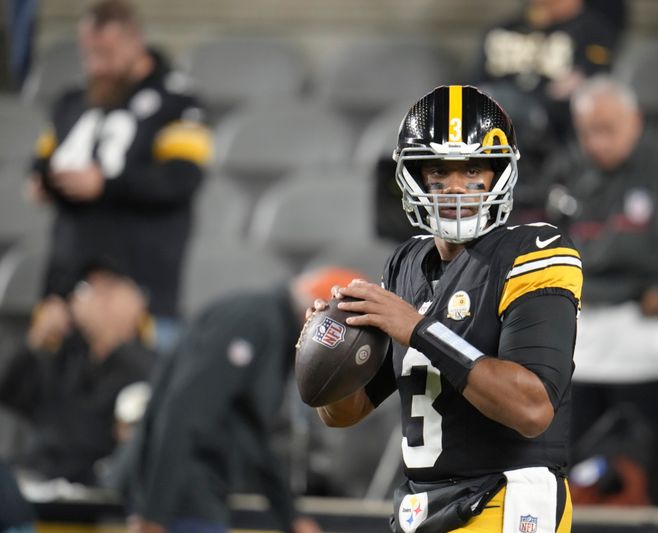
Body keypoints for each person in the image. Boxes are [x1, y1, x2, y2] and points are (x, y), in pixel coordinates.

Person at [312, 85, 581, 533]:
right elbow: (345, 411)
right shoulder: (406, 264)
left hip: (506, 495)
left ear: (499, 174)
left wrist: (419, 328)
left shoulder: (534, 251)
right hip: (421, 505)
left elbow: (532, 409)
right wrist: (328, 343)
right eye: (440, 171)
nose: (456, 187)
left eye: (472, 168)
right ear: (414, 177)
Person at [536, 76, 658, 506]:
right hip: (583, 341)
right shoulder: (566, 170)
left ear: (636, 122)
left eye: (609, 129)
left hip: (649, 337)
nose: (597, 141)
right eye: (588, 130)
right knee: (570, 466)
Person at [120, 268, 366, 533]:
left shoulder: (273, 332)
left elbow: (252, 432)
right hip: (181, 497)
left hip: (201, 494)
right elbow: (184, 411)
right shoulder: (253, 320)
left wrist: (291, 517)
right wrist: (154, 514)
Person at [26, 0, 212, 350]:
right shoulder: (73, 102)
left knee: (137, 396)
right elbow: (43, 162)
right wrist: (41, 183)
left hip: (141, 289)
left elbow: (182, 179)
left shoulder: (178, 101)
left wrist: (107, 185)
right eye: (89, 54)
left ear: (134, 42)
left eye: (106, 53)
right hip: (67, 284)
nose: (97, 64)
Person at [0, 261, 156, 486]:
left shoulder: (148, 364)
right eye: (89, 289)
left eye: (110, 289)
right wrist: (36, 341)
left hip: (98, 493)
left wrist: (111, 339)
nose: (99, 300)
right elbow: (9, 391)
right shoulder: (65, 361)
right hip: (38, 479)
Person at [475, 0, 616, 147]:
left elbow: (597, 84)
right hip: (495, 125)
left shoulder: (593, 32)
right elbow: (475, 83)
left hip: (556, 134)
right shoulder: (502, 31)